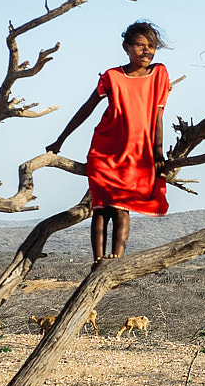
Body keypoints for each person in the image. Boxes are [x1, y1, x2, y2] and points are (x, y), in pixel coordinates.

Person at [46, 21, 171, 266]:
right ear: (126, 47)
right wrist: (60, 139)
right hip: (104, 150)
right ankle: (98, 261)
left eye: (152, 47)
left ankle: (116, 262)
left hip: (136, 154)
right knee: (101, 208)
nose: (147, 51)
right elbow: (87, 109)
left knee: (122, 207)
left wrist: (157, 152)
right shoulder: (112, 76)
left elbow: (158, 116)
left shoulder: (159, 74)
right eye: (141, 46)